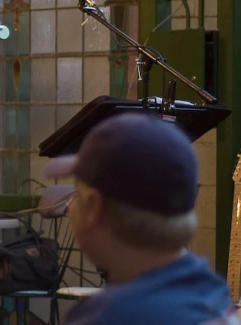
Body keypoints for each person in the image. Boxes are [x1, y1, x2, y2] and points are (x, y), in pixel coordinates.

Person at [47, 113, 236, 325]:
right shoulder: (215, 297)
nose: (70, 207)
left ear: (93, 207)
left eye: (76, 195)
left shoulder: (105, 319)